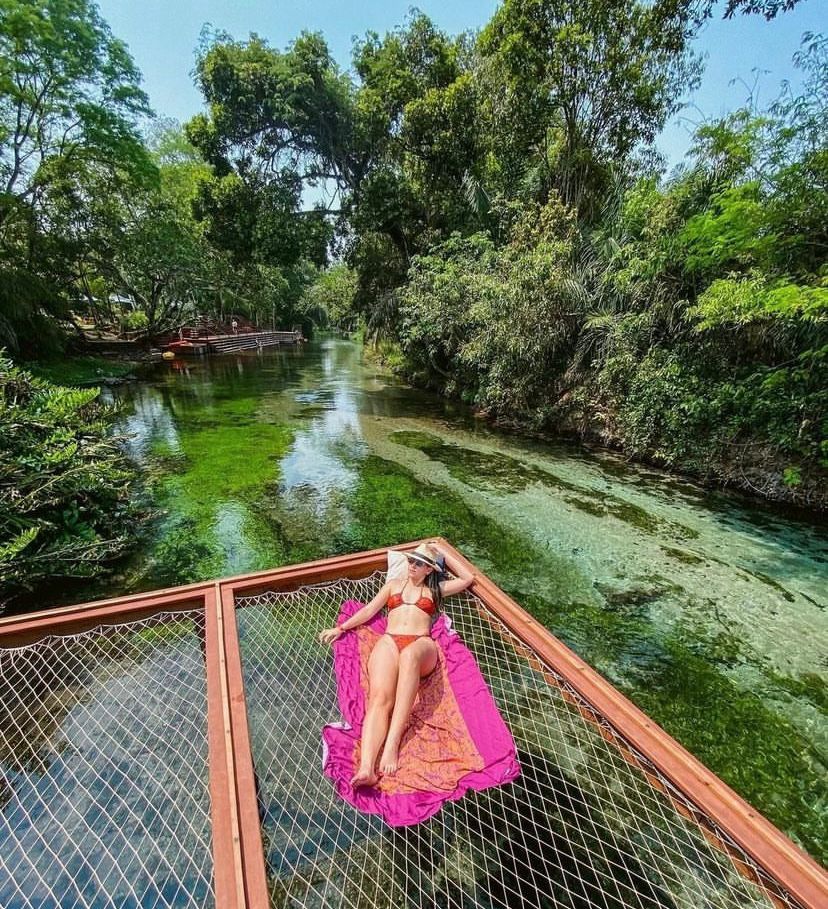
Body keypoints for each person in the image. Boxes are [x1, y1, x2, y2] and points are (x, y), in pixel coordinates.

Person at [319, 542, 476, 787]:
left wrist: (441, 552)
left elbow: (468, 577)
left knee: (410, 655)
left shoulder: (436, 589)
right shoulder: (393, 585)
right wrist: (341, 628)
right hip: (390, 640)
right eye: (411, 560)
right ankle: (367, 768)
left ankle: (392, 742)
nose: (412, 565)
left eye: (420, 563)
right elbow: (371, 609)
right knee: (380, 698)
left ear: (429, 570)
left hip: (421, 645)